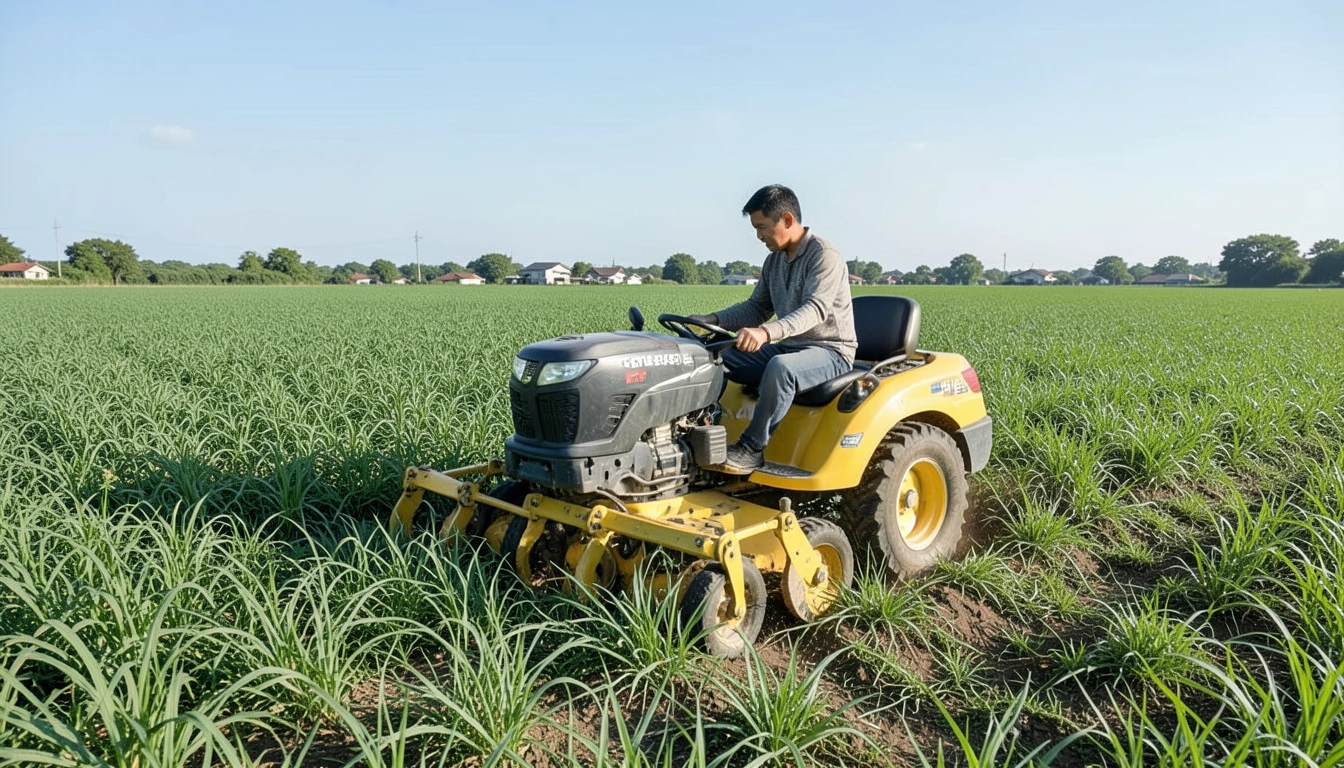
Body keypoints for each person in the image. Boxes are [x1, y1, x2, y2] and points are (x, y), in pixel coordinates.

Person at [689, 185, 857, 474]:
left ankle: (751, 449)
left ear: (787, 220)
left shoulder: (824, 255)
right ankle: (698, 429)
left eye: (762, 227)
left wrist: (766, 333)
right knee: (713, 355)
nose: (759, 236)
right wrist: (712, 320)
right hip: (790, 346)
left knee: (782, 368)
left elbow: (815, 309)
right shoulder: (774, 261)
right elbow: (757, 308)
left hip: (831, 352)